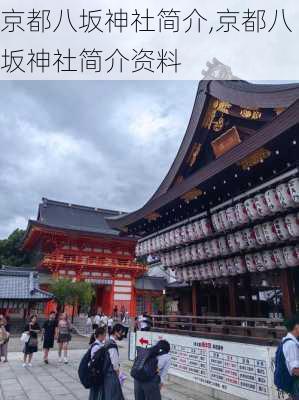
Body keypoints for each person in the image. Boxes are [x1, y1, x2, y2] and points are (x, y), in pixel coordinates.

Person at [279, 316, 299, 399]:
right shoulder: (291, 344)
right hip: (296, 384)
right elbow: (296, 371)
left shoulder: (287, 340)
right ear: (296, 327)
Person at [88, 326, 107, 400]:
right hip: (96, 373)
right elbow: (97, 361)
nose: (105, 337)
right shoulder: (97, 347)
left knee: (95, 392)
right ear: (100, 335)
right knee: (95, 392)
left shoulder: (97, 344)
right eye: (104, 335)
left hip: (95, 372)